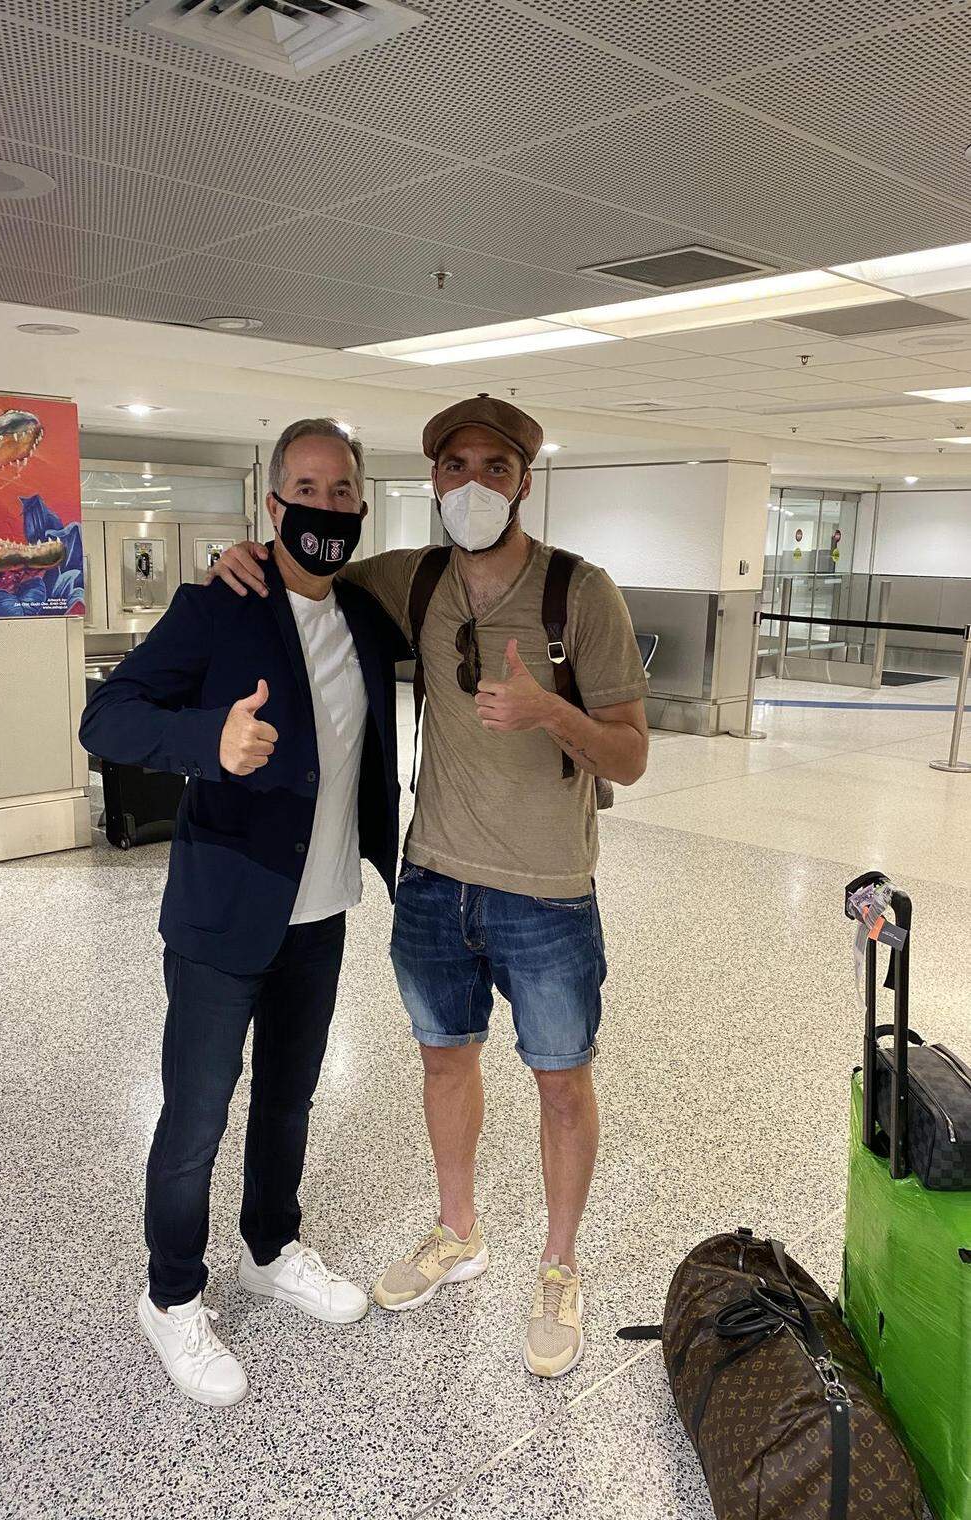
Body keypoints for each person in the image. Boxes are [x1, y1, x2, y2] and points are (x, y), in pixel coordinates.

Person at [210, 395, 650, 1379]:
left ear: (524, 481)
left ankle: (559, 1264)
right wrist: (234, 557)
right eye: (455, 465)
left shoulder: (584, 592)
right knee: (445, 1065)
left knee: (561, 1084)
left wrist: (547, 710)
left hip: (546, 893)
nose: (474, 484)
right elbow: (304, 569)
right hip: (433, 883)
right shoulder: (412, 579)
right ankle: (459, 1230)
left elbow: (629, 754)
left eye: (496, 467)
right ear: (434, 480)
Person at [80, 418, 408, 1406]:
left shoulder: (366, 612)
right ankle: (171, 1293)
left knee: (289, 1097)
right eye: (305, 485)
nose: (325, 503)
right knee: (195, 1114)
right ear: (273, 503)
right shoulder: (218, 604)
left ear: (357, 503)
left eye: (342, 488)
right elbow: (106, 716)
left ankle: (270, 1244)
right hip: (225, 914)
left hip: (322, 914)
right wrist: (204, 742)